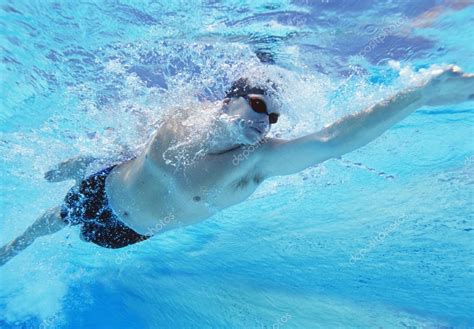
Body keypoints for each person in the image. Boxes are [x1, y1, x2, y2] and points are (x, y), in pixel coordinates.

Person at [0, 66, 473, 266]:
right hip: (102, 191)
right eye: (257, 105)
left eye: (273, 117)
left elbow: (333, 141)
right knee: (56, 220)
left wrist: (420, 94)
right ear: (225, 103)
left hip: (124, 237)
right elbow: (130, 143)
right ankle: (9, 248)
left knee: (74, 228)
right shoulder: (178, 120)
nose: (266, 122)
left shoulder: (257, 162)